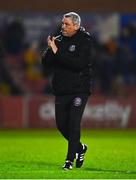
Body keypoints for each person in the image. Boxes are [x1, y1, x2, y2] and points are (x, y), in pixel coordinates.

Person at [42, 12, 94, 170]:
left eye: (67, 24)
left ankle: (69, 161)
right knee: (61, 125)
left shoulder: (85, 40)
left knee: (73, 124)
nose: (63, 27)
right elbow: (45, 63)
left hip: (79, 89)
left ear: (76, 26)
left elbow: (78, 64)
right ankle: (80, 148)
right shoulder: (58, 40)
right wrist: (50, 49)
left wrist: (57, 51)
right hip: (62, 89)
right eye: (62, 23)